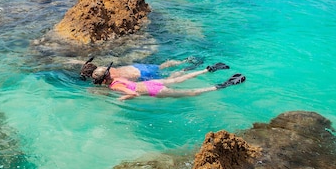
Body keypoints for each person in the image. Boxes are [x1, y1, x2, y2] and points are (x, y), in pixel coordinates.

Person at [91, 62, 245, 100]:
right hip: (153, 83)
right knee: (180, 78)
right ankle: (207, 69)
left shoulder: (114, 86)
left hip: (153, 90)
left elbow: (133, 94)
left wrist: (121, 99)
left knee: (190, 93)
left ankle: (222, 86)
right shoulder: (116, 77)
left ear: (103, 81)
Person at [80, 56, 202, 81]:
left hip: (142, 75)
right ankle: (184, 61)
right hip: (138, 66)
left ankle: (187, 70)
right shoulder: (103, 68)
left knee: (170, 77)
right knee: (162, 66)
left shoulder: (103, 78)